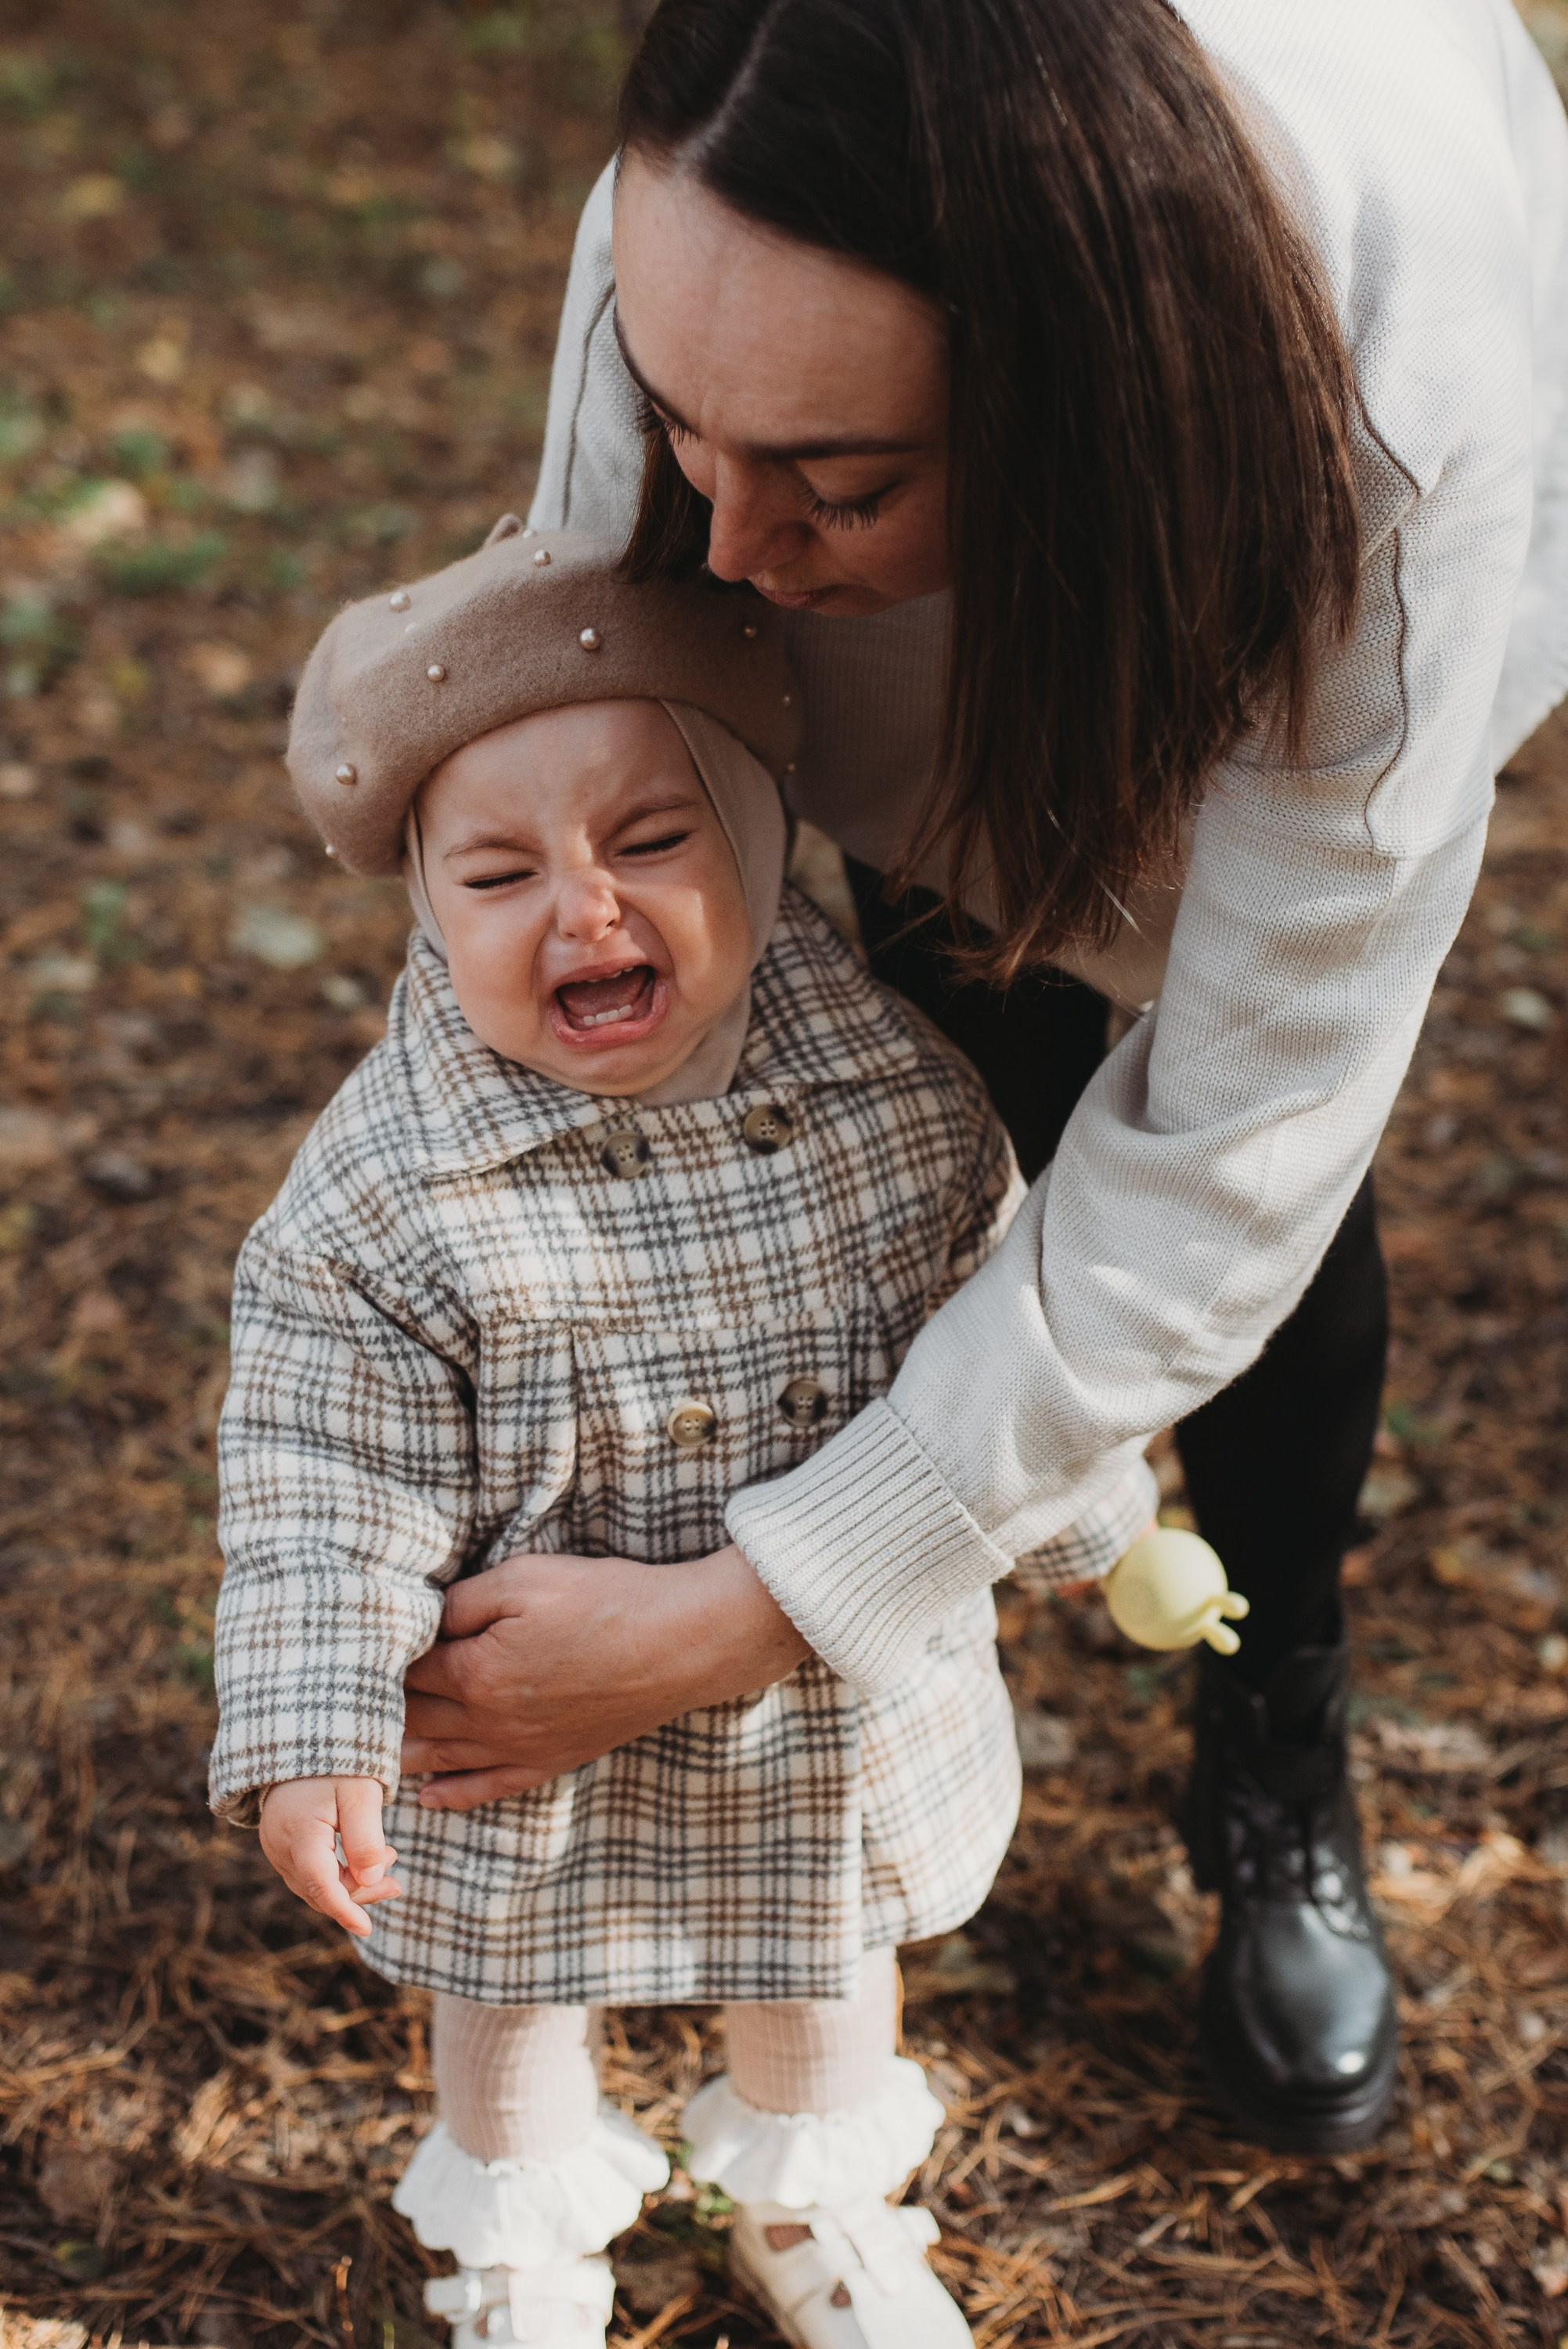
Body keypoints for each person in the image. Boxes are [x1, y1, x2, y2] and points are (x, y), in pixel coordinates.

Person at [391, 0, 1568, 2153]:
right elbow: (598, 676)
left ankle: (1275, 1750)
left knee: (1240, 1197)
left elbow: (1236, 1137)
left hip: (1226, 584)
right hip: (959, 568)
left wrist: (743, 1616)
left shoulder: (1388, 454)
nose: (725, 544)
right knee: (962, 1047)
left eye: (828, 484)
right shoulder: (731, 212)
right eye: (682, 431)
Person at [209, 528, 1155, 2349]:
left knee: (822, 1945)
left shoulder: (890, 1091)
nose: (585, 912)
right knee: (512, 1992)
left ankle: (816, 2208)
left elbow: (992, 1325)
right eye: (497, 873)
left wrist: (1089, 1512)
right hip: (526, 1722)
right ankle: (523, 2248)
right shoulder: (387, 1196)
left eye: (652, 839)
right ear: (425, 907)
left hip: (819, 1698)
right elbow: (323, 1476)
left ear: (757, 834)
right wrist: (316, 1708)